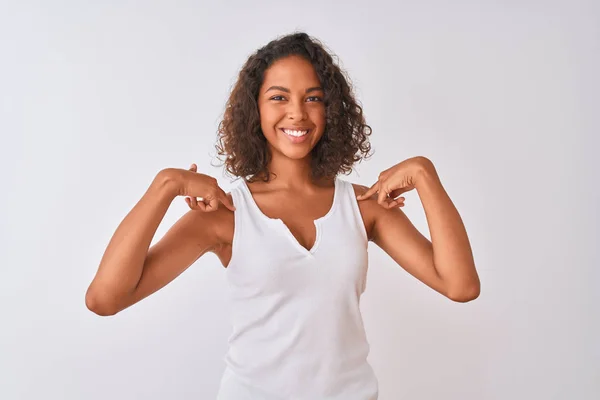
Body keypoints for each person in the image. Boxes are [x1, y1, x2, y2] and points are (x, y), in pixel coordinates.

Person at [85, 32, 480, 399]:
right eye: (278, 97)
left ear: (330, 108)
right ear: (254, 109)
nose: (298, 114)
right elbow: (105, 298)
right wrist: (165, 186)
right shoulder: (226, 213)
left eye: (313, 98)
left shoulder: (364, 206)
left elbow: (460, 285)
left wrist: (426, 176)